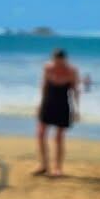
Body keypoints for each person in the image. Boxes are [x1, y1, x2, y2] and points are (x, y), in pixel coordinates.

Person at [34, 48, 80, 177]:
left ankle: (58, 168)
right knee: (40, 134)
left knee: (59, 138)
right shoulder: (48, 68)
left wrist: (76, 110)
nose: (58, 64)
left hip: (63, 105)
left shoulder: (72, 71)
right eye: (56, 61)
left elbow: (76, 90)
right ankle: (43, 165)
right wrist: (39, 104)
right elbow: (43, 86)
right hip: (47, 103)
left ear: (65, 60)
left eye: (61, 61)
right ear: (53, 59)